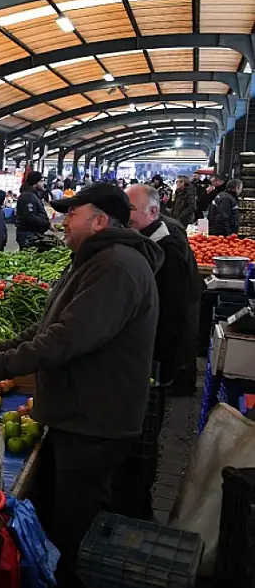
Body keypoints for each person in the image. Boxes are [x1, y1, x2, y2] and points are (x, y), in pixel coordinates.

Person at [0, 182, 161, 588]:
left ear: (100, 221)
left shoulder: (116, 268)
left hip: (95, 418)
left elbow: (67, 337)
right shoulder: (92, 259)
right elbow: (47, 326)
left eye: (72, 213)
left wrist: (1, 365)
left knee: (75, 529)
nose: (63, 220)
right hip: (79, 411)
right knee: (59, 516)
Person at [112, 184, 201, 520]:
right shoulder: (153, 241)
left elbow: (174, 317)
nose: (125, 218)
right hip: (151, 359)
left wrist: (156, 364)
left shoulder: (169, 249)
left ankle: (139, 510)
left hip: (156, 362)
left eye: (130, 211)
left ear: (153, 211)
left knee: (143, 440)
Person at [16, 171, 51, 248]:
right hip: (28, 234)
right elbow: (29, 217)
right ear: (35, 182)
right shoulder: (28, 196)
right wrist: (47, 224)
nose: (43, 183)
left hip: (32, 232)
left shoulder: (33, 194)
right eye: (41, 181)